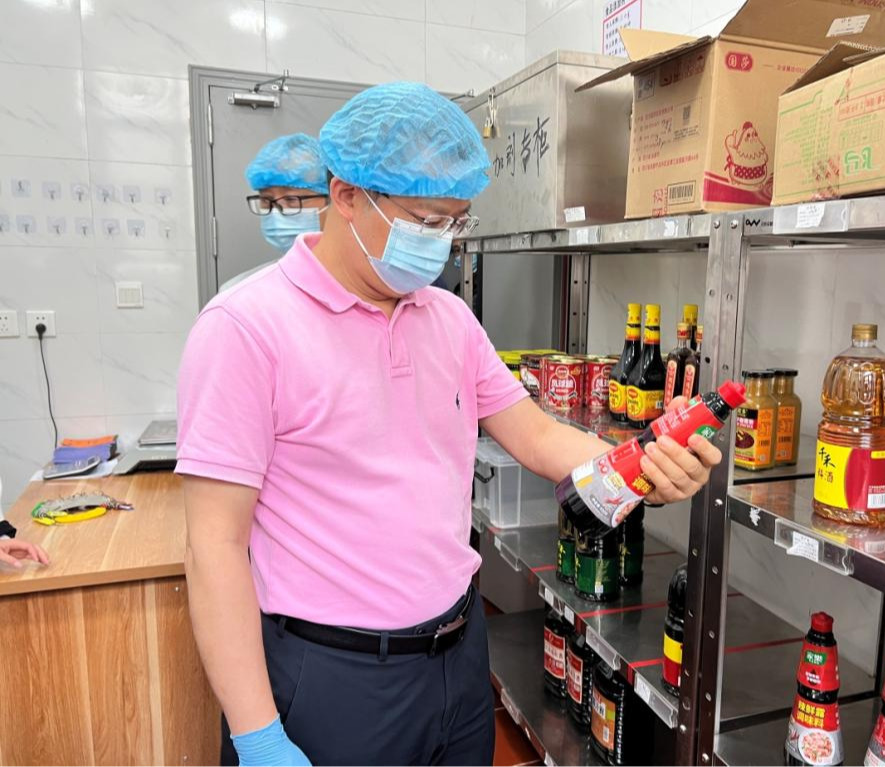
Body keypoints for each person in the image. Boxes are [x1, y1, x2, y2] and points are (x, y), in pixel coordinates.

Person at [177, 81, 721, 767]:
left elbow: (537, 436)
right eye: (423, 220)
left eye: (454, 223)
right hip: (334, 675)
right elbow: (214, 546)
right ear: (345, 196)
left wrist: (643, 459)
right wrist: (257, 734)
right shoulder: (245, 328)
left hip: (458, 661)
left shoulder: (449, 319)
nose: (438, 242)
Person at [221, 133, 330, 291]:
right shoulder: (241, 291)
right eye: (266, 200)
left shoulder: (360, 287)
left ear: (334, 200)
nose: (277, 214)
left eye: (291, 199)